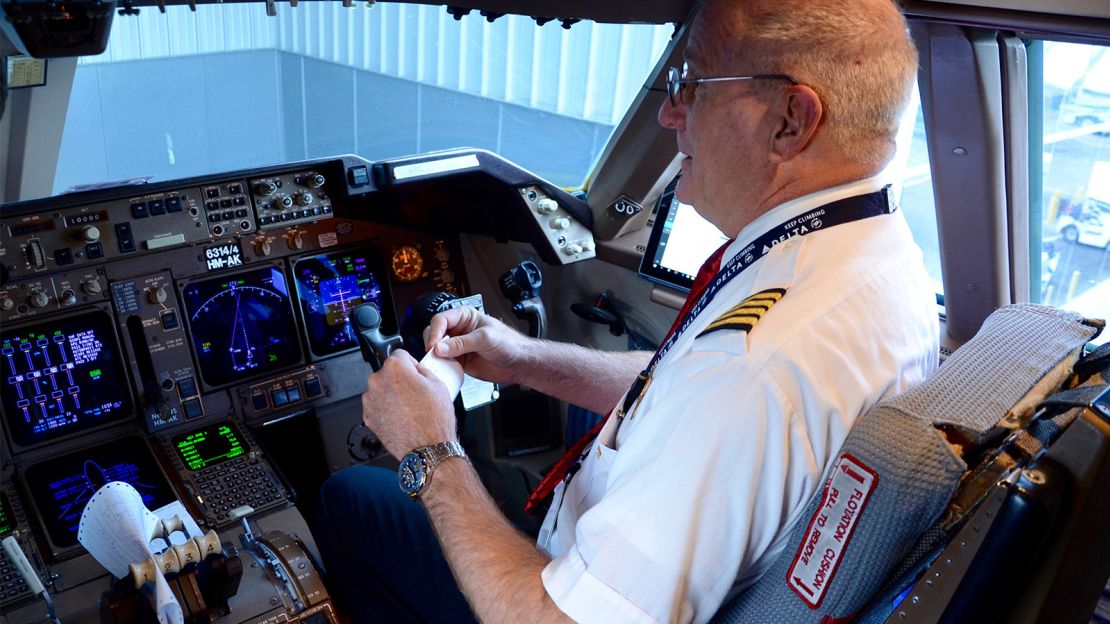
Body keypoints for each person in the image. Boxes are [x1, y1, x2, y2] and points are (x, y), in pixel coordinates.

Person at [314, 0, 940, 621]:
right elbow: (680, 389)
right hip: (596, 529)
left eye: (691, 84)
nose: (670, 112)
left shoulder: (754, 370)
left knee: (351, 497)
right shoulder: (870, 256)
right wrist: (526, 359)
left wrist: (429, 448)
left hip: (548, 595)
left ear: (790, 121)